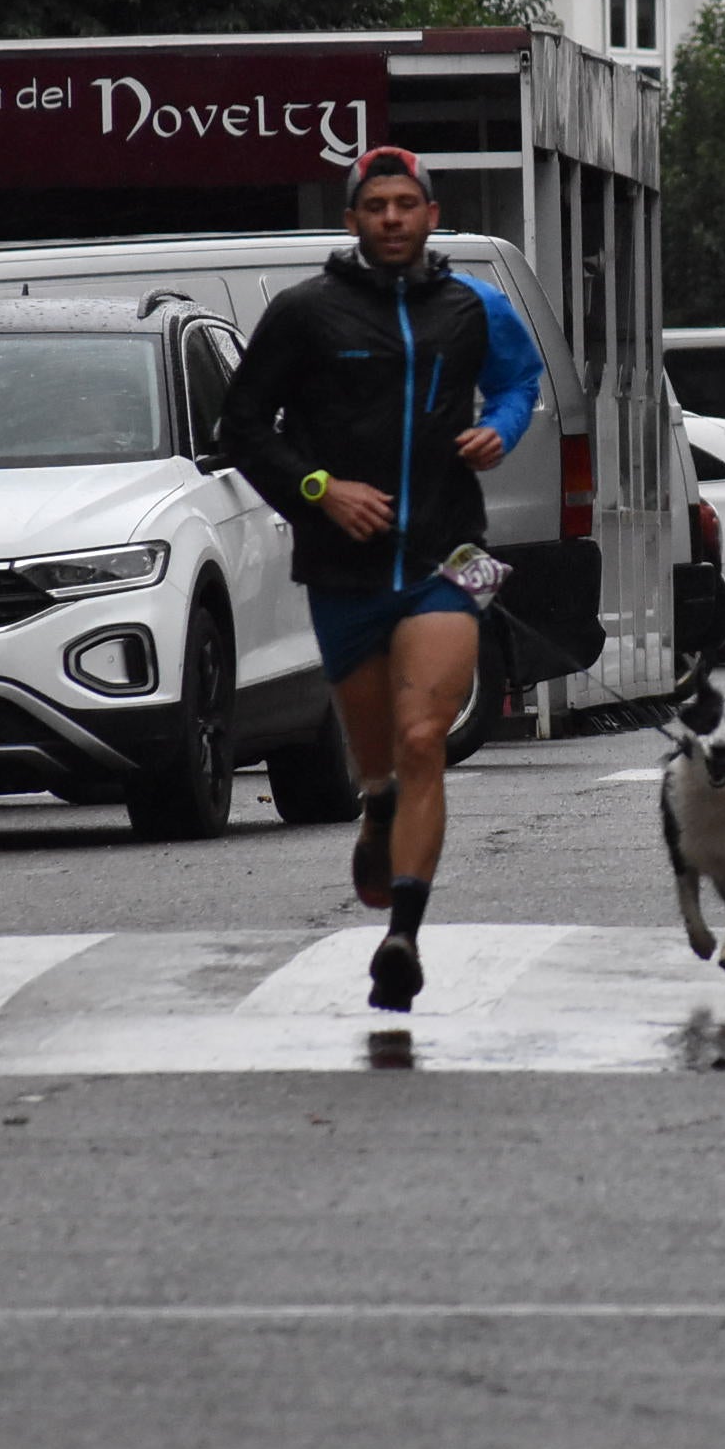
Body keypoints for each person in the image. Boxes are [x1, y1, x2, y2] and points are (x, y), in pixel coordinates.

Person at [218, 147, 545, 1009]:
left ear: (431, 216)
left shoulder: (475, 307)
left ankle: (403, 933)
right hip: (345, 569)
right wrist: (320, 490)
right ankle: (374, 811)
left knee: (423, 740)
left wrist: (501, 428)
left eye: (408, 204)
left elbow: (520, 381)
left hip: (448, 556)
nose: (393, 218)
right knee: (379, 762)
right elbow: (244, 426)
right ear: (352, 220)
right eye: (377, 206)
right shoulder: (304, 314)